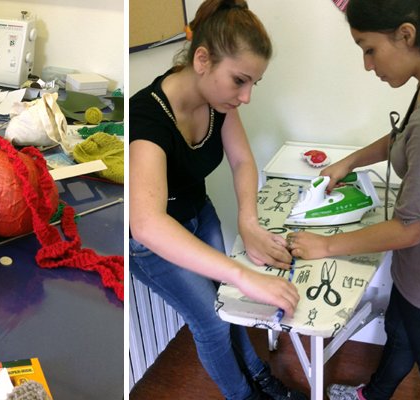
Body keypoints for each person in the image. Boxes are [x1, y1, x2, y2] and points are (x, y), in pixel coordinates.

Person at [285, 0, 420, 398]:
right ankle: (372, 394)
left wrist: (325, 245)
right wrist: (350, 161)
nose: (367, 65)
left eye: (369, 49)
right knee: (400, 334)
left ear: (406, 35)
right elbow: (405, 137)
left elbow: (411, 228)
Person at [129, 1, 306, 399]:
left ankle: (258, 375)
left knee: (226, 305)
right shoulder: (146, 117)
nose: (246, 97)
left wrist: (248, 222)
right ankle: (243, 395)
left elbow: (243, 161)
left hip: (199, 213)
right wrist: (242, 274)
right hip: (153, 244)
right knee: (211, 322)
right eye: (239, 81)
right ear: (202, 60)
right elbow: (147, 223)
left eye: (253, 84)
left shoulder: (217, 102)